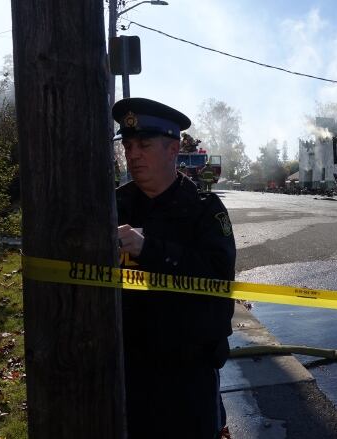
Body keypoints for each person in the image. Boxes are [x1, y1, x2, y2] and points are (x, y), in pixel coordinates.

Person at [112, 97, 236, 438]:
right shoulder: (114, 205)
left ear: (172, 150)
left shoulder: (204, 210)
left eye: (144, 145)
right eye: (128, 145)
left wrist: (150, 249)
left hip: (186, 371)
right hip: (128, 365)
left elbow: (217, 277)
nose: (133, 154)